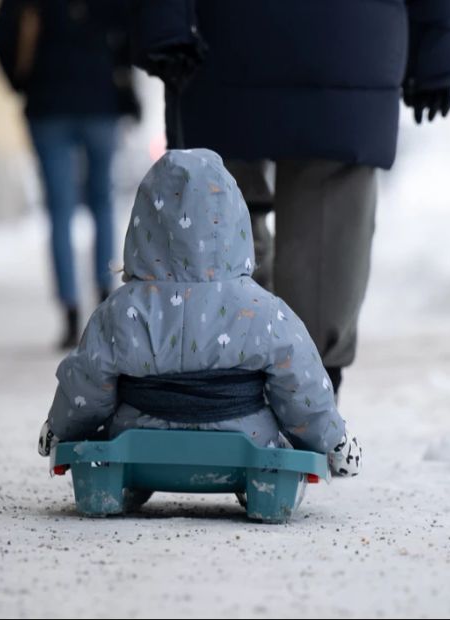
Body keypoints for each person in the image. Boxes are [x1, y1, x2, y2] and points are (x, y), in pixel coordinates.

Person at [129, 0, 450, 395]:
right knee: (328, 219)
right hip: (349, 43)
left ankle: (227, 376)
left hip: (224, 40)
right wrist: (435, 50)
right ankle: (310, 386)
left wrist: (163, 24)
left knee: (216, 208)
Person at [36, 149, 361, 483]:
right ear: (236, 225)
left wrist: (60, 429)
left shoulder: (121, 311)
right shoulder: (263, 311)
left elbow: (86, 383)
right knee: (274, 436)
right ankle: (263, 493)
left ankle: (120, 487)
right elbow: (300, 383)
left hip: (139, 448)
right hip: (246, 448)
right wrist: (334, 443)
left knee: (113, 428)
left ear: (143, 223)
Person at [0, 0, 140, 349]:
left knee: (60, 210)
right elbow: (133, 27)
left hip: (48, 103)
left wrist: (21, 81)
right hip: (99, 99)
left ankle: (70, 311)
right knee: (102, 202)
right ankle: (105, 303)